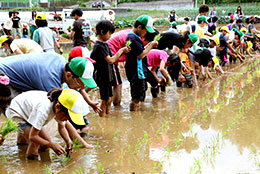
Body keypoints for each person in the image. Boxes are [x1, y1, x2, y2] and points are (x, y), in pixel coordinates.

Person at [2, 87, 93, 159]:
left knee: (45, 145)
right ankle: (30, 164)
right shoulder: (43, 110)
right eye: (65, 117)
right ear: (57, 106)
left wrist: (68, 142)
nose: (66, 120)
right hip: (17, 111)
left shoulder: (60, 107)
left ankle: (22, 144)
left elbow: (62, 128)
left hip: (29, 110)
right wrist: (51, 145)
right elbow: (33, 137)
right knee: (35, 144)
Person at [0, 53, 101, 114]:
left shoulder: (61, 61)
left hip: (14, 75)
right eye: (81, 83)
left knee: (28, 116)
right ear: (69, 75)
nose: (83, 87)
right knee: (20, 115)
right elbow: (59, 113)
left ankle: (23, 143)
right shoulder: (50, 81)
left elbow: (77, 86)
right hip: (3, 77)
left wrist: (90, 103)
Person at [90, 20, 130, 116]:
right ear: (102, 32)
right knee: (104, 100)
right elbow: (111, 60)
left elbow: (113, 58)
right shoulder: (99, 46)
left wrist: (123, 52)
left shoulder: (104, 44)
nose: (110, 36)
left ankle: (107, 117)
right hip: (102, 76)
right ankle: (103, 119)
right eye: (109, 33)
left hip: (107, 76)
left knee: (109, 99)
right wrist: (121, 51)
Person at [125, 15, 158, 111]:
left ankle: (137, 117)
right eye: (146, 30)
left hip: (137, 72)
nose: (146, 32)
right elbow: (140, 55)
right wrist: (151, 45)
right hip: (137, 73)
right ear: (139, 27)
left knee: (139, 97)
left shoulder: (133, 37)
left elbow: (139, 51)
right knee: (136, 99)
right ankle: (135, 119)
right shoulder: (133, 38)